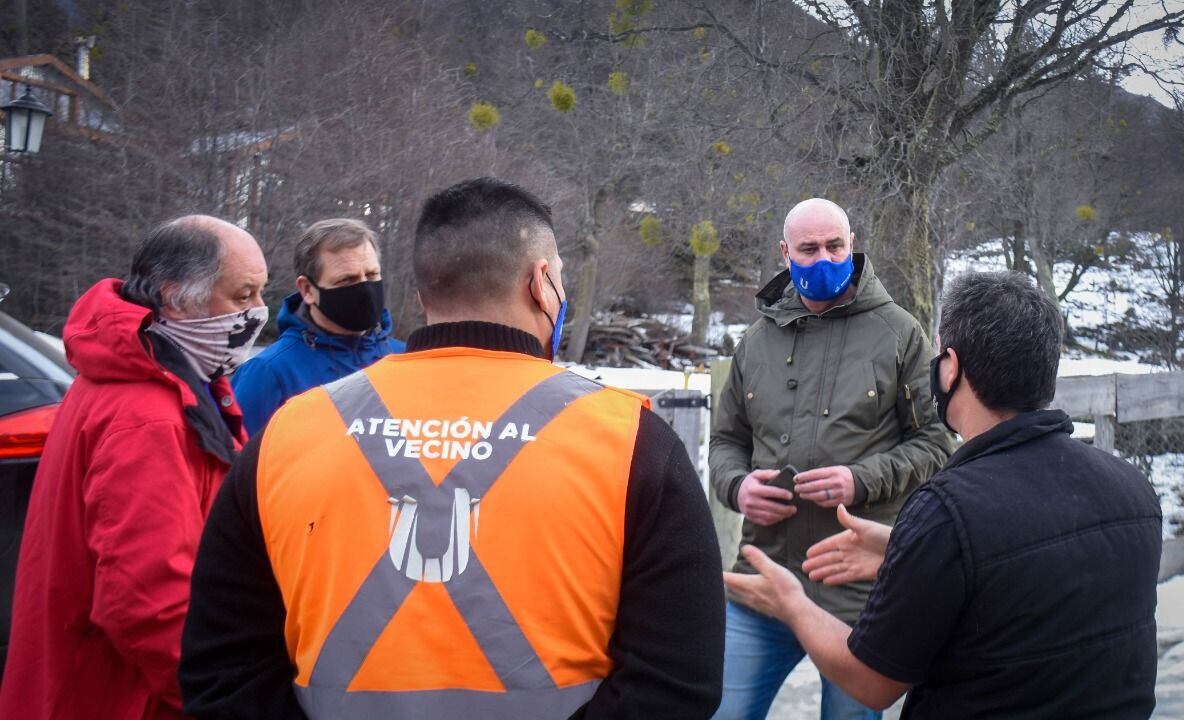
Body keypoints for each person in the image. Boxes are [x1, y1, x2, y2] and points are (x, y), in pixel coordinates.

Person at [179, 177, 725, 719]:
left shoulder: (289, 431)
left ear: (422, 294)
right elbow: (677, 681)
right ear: (542, 283)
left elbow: (223, 668)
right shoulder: (632, 438)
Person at [725, 271, 1164, 719]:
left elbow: (872, 684)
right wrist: (906, 547)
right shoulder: (1134, 491)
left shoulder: (948, 512)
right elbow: (1029, 576)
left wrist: (791, 603)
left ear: (950, 368)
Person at [0, 216, 269, 720]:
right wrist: (222, 697)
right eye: (243, 295)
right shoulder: (147, 415)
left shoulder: (176, 380)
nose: (258, 313)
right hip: (120, 696)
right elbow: (148, 603)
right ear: (176, 298)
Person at [709, 198, 952, 719]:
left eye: (835, 246)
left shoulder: (900, 333)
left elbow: (936, 442)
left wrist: (860, 480)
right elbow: (725, 443)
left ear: (852, 245)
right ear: (785, 252)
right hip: (764, 574)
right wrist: (738, 488)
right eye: (809, 248)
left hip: (858, 589)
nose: (824, 259)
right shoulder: (754, 342)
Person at [232, 218, 405, 436]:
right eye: (347, 280)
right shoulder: (269, 373)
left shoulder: (407, 358)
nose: (365, 289)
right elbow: (236, 465)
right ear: (307, 290)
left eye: (372, 275)